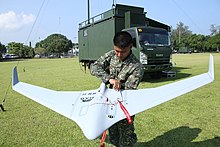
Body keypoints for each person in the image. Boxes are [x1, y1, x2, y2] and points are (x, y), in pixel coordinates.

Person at [90, 31, 144, 146]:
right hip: (109, 104)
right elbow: (94, 67)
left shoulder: (137, 67)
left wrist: (119, 84)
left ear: (130, 47)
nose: (119, 55)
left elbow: (129, 90)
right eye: (117, 51)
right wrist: (109, 79)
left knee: (126, 137)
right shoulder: (111, 55)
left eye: (123, 52)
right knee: (113, 135)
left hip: (124, 105)